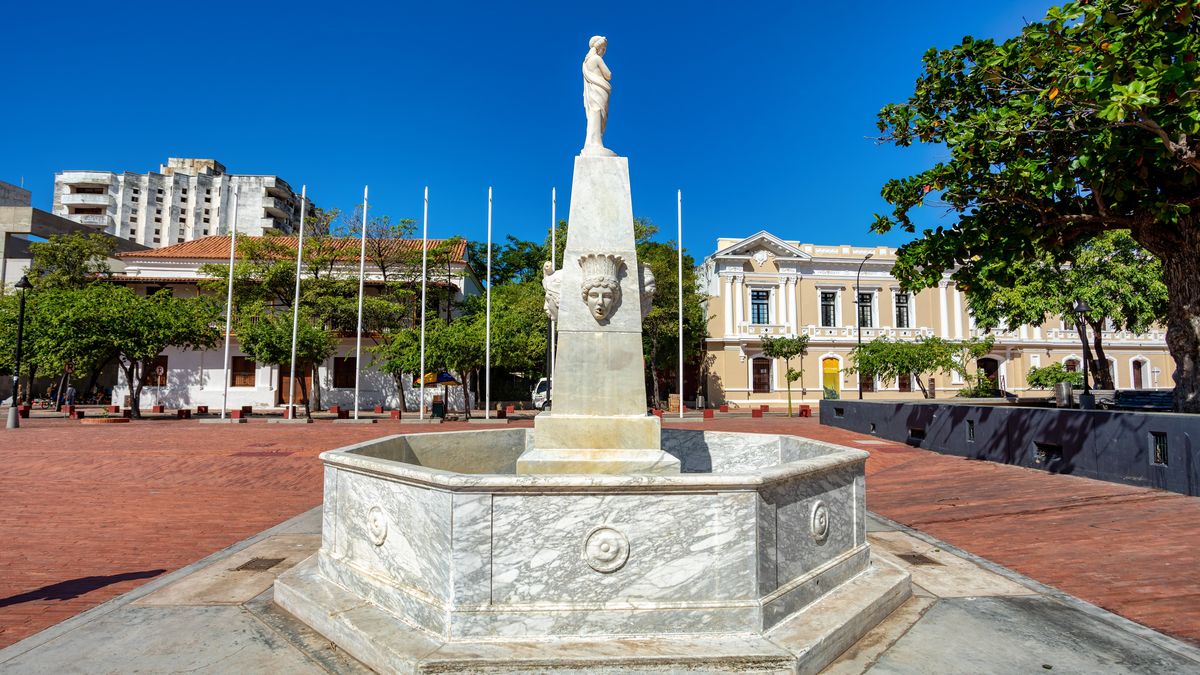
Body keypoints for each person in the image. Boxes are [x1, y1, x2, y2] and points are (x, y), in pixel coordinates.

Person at [581, 35, 615, 156]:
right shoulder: (597, 59)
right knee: (598, 113)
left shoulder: (585, 63)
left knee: (595, 113)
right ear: (600, 48)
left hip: (593, 91)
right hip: (600, 89)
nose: (604, 51)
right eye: (604, 48)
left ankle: (592, 142)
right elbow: (609, 75)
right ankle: (595, 143)